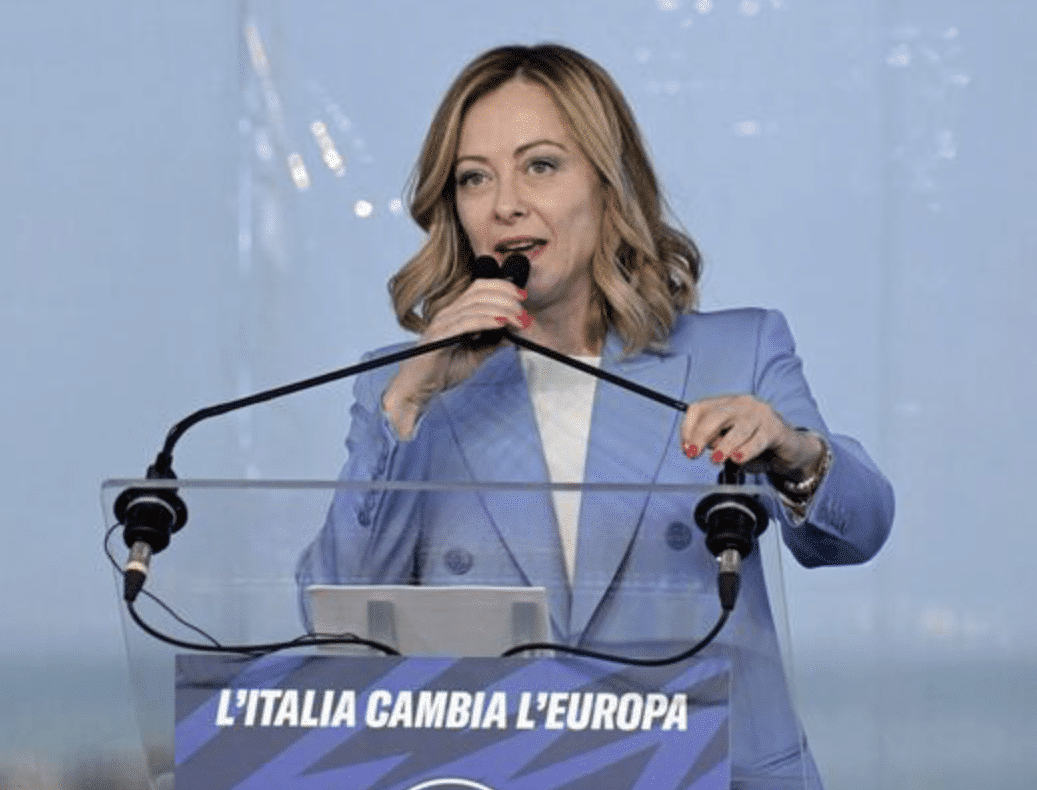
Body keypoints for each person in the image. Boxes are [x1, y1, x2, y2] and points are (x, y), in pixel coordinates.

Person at [297, 43, 894, 789]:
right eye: (474, 177)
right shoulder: (402, 387)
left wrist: (794, 454)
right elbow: (335, 626)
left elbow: (858, 532)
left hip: (715, 774)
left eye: (540, 166)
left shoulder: (735, 351)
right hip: (497, 774)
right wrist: (407, 404)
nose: (505, 204)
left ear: (609, 186)